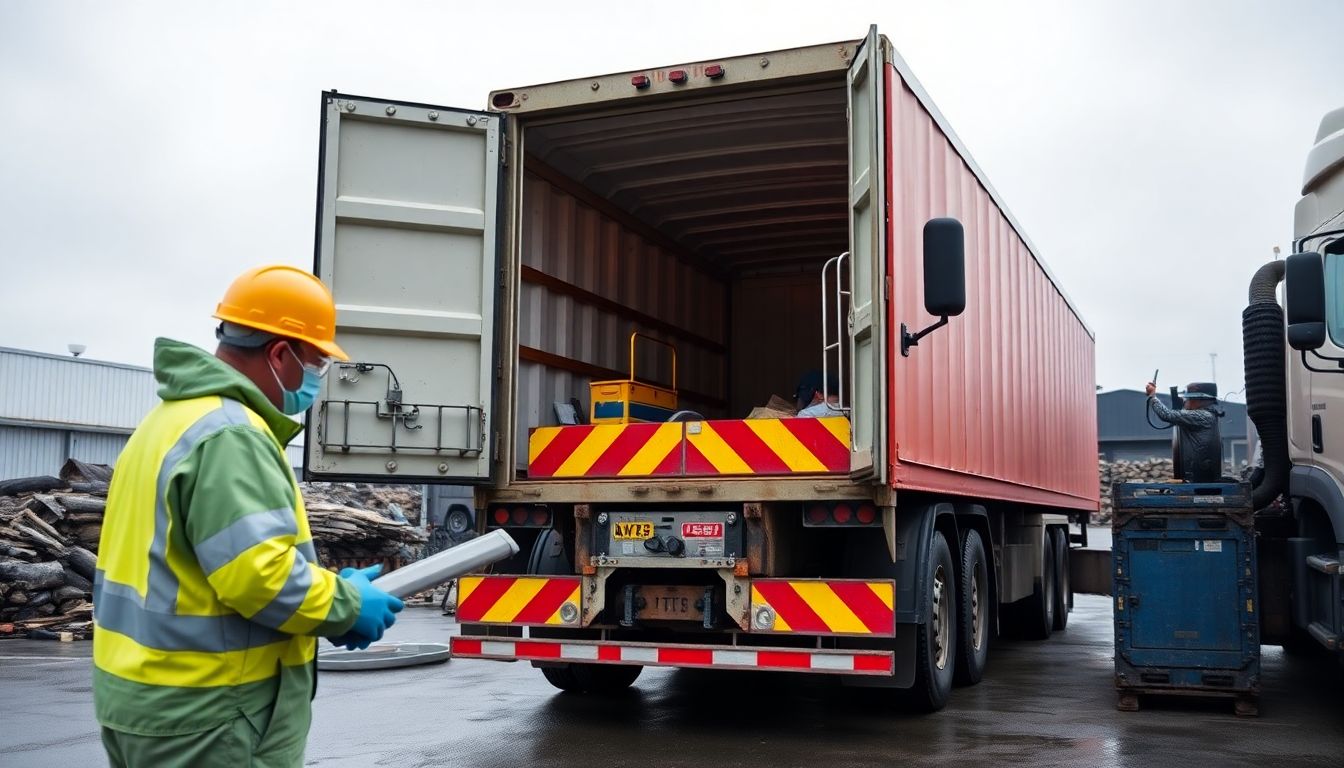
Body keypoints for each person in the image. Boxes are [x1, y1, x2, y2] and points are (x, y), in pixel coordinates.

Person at [94, 265, 404, 767]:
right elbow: (260, 577)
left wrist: (327, 590)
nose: (317, 381)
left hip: (145, 701)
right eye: (317, 363)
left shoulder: (169, 422)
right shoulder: (232, 434)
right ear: (280, 355)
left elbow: (205, 564)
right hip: (210, 713)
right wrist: (346, 604)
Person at [1145, 380, 1224, 482]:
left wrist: (1152, 396)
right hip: (1200, 475)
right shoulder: (1206, 415)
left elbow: (1166, 415)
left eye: (1189, 398)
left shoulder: (1202, 416)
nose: (1186, 400)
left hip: (1199, 477)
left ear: (1200, 400)